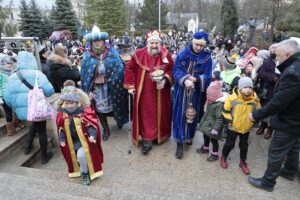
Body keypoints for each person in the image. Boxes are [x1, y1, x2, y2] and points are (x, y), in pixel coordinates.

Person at [248, 39, 300, 192]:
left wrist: (257, 115)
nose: (276, 59)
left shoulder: (293, 72)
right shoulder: (295, 66)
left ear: (288, 54)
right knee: (294, 146)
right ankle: (289, 171)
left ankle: (268, 182)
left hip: (290, 119)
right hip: (296, 120)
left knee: (276, 150)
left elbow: (279, 102)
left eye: (278, 56)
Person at [124, 30, 173, 154]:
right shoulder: (138, 54)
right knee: (146, 114)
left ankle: (159, 135)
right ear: (147, 44)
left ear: (160, 44)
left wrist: (166, 80)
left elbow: (172, 70)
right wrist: (130, 86)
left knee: (160, 113)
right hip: (144, 92)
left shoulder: (166, 55)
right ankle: (147, 139)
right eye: (152, 43)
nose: (154, 45)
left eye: (157, 43)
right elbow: (129, 68)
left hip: (161, 92)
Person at [4, 51, 54, 164]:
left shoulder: (12, 76)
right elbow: (50, 91)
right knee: (42, 130)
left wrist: (16, 107)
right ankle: (44, 156)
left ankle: (28, 146)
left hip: (22, 111)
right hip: (36, 107)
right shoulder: (37, 74)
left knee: (34, 123)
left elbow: (7, 97)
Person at [81, 25, 128, 141]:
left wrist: (109, 78)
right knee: (100, 110)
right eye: (94, 41)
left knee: (115, 106)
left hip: (112, 87)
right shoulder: (87, 56)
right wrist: (89, 88)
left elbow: (119, 68)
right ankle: (106, 129)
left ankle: (119, 120)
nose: (97, 43)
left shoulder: (112, 52)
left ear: (103, 41)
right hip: (97, 89)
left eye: (99, 40)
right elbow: (85, 75)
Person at [172, 31, 212, 159]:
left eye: (201, 46)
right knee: (180, 115)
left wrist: (196, 79)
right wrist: (185, 79)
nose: (198, 48)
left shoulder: (207, 57)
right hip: (181, 91)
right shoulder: (183, 54)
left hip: (196, 93)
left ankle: (189, 137)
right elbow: (176, 70)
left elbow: (208, 75)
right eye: (196, 44)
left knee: (192, 115)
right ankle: (179, 142)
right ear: (192, 42)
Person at [56, 84, 103, 186]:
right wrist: (62, 139)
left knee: (81, 156)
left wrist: (92, 135)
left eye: (71, 102)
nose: (69, 105)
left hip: (84, 142)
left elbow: (91, 125)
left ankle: (85, 174)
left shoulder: (85, 113)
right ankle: (82, 169)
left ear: (78, 102)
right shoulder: (62, 115)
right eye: (67, 103)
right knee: (76, 158)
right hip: (70, 143)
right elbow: (61, 129)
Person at [220, 77, 261, 174]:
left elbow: (259, 112)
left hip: (246, 128)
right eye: (245, 87)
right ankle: (223, 157)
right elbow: (225, 111)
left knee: (244, 145)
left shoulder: (255, 100)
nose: (248, 90)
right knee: (230, 144)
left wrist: (253, 121)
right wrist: (230, 121)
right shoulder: (232, 98)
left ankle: (243, 162)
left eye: (250, 87)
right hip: (233, 126)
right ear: (240, 88)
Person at [196, 81, 228, 162]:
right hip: (208, 124)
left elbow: (220, 118)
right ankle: (205, 148)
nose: (208, 98)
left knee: (214, 140)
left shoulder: (219, 104)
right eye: (208, 95)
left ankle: (215, 154)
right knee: (205, 136)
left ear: (216, 95)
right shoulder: (211, 101)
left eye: (210, 96)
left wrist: (216, 129)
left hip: (214, 127)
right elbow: (206, 113)